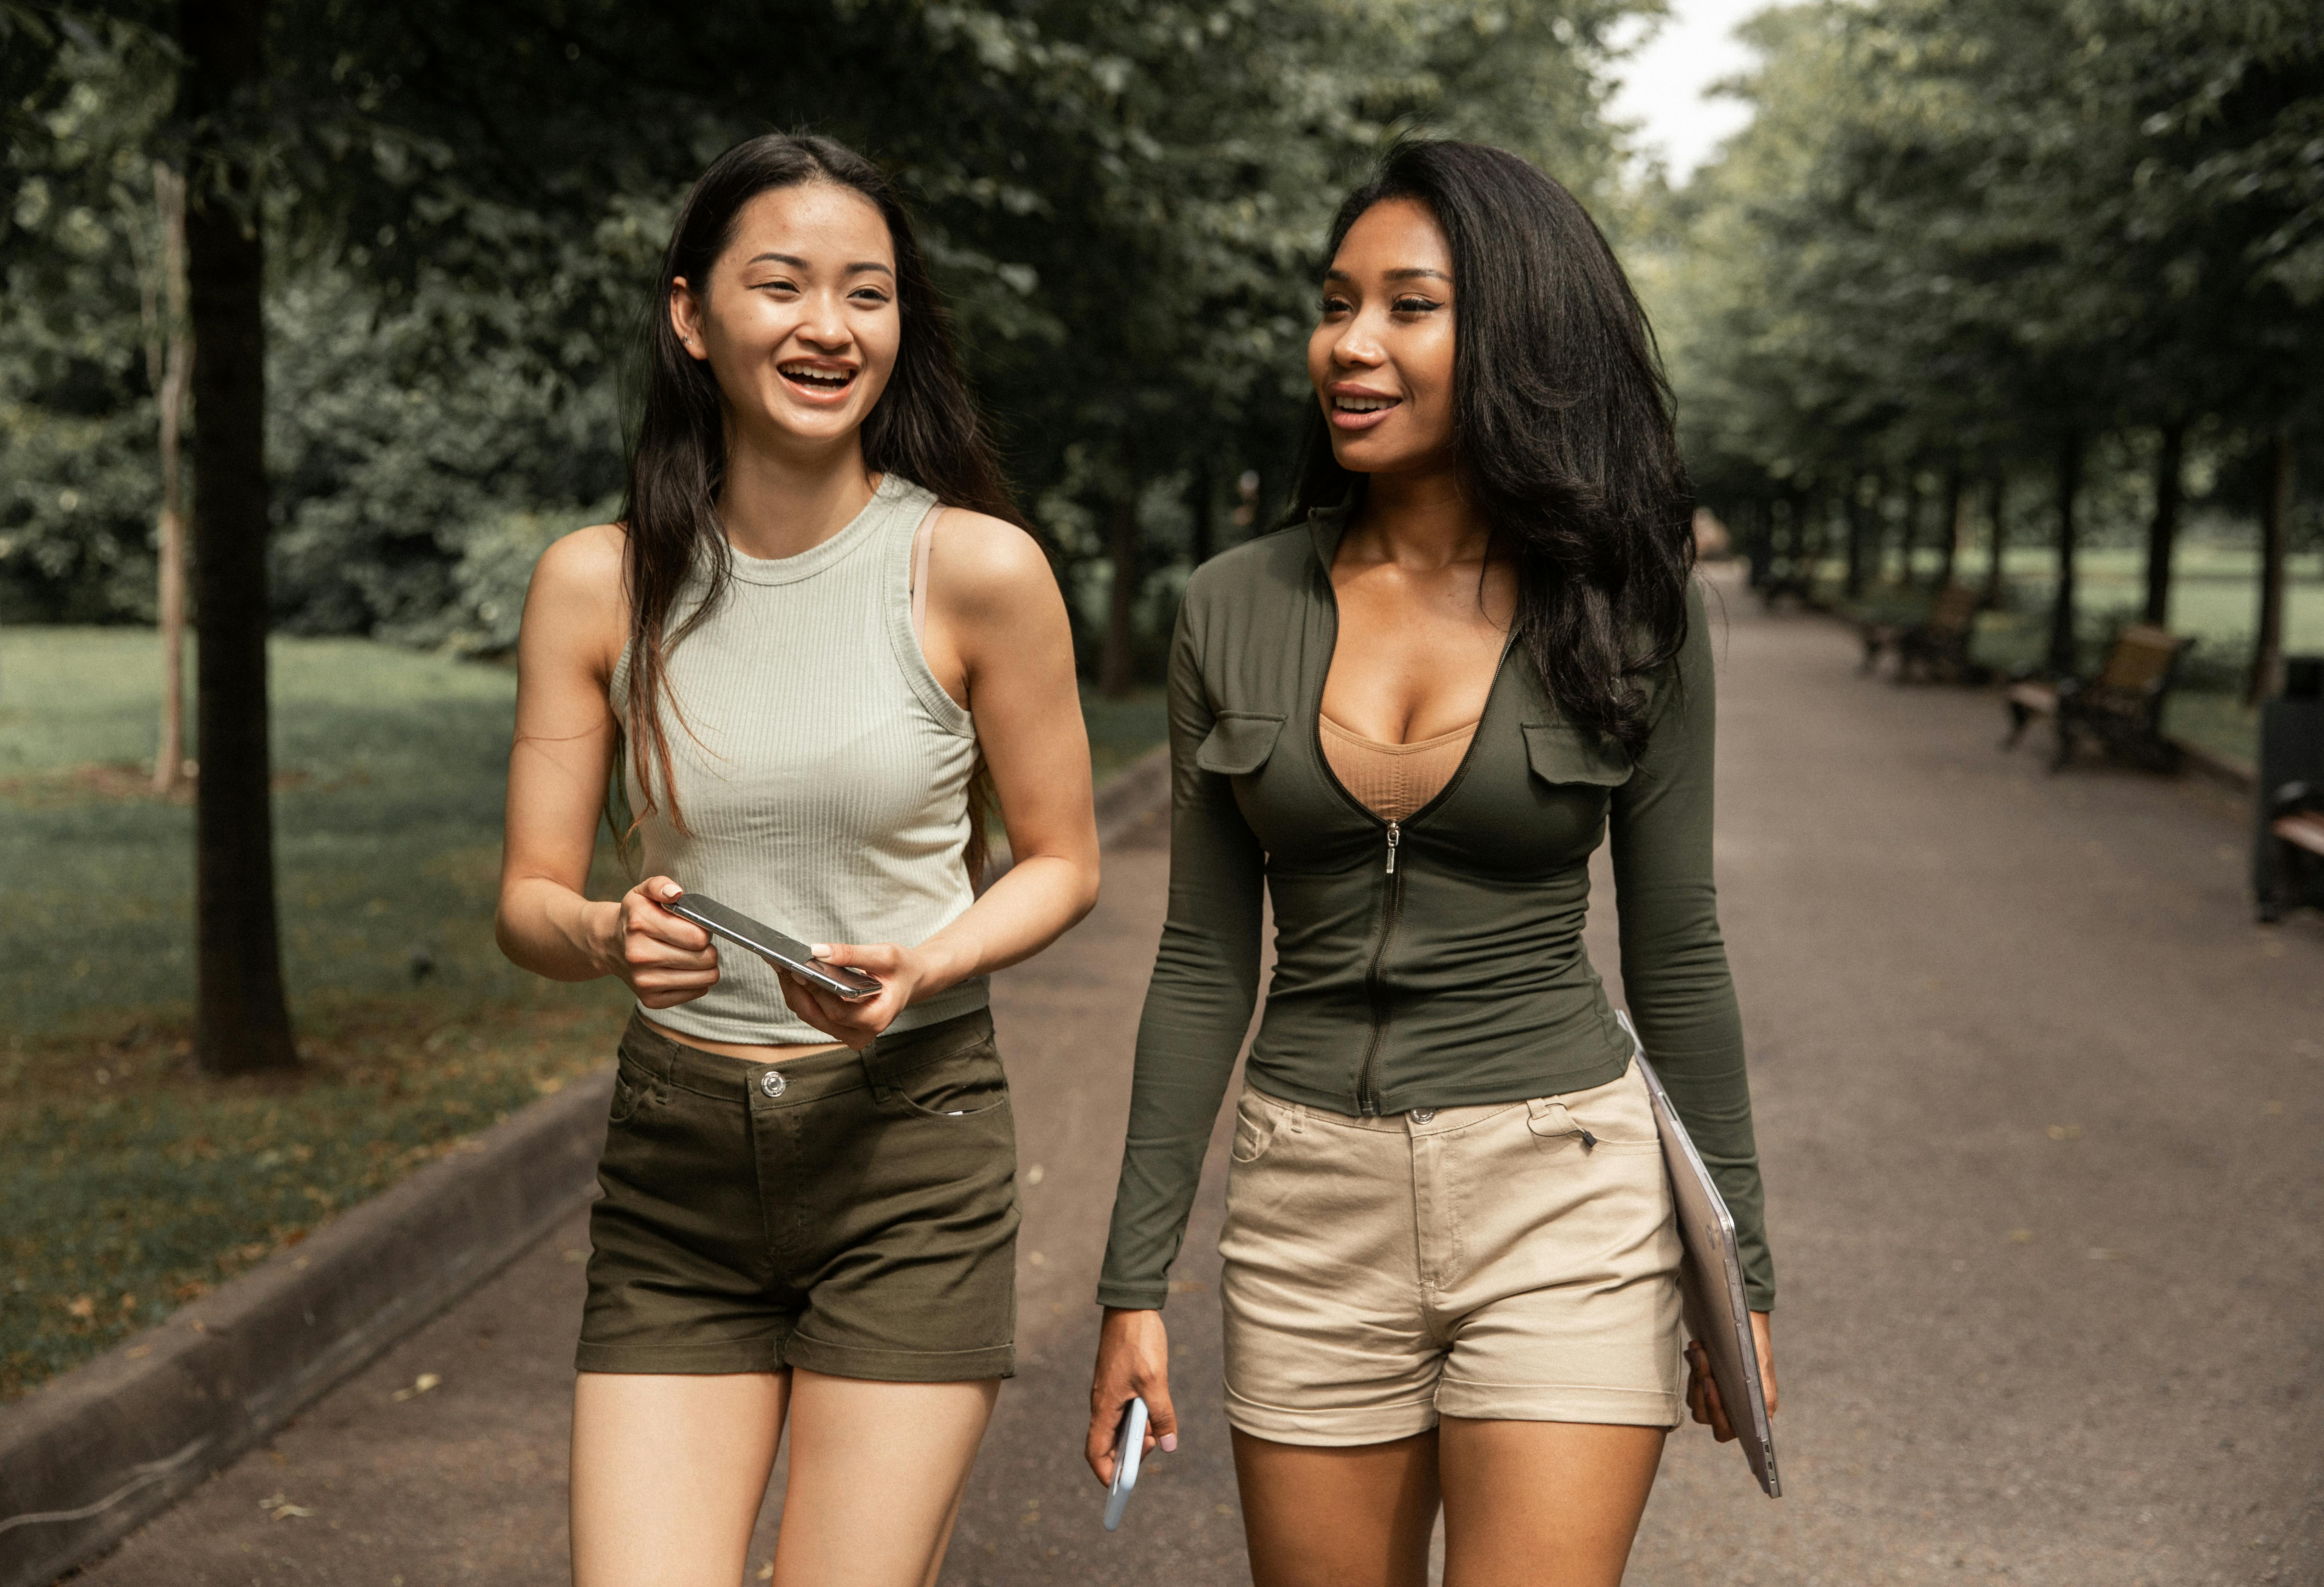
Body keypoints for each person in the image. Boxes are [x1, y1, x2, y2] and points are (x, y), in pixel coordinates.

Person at [1085, 140, 1779, 1587]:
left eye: (1410, 306)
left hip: (1566, 1196)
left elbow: (1680, 944)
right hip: (1305, 1209)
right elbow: (1206, 957)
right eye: (1337, 303)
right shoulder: (1231, 602)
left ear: (1516, 333)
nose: (1350, 343)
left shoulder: (1630, 603)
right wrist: (1131, 1281)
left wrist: (1746, 1273)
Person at [496, 132, 1097, 1587]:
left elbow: (1062, 861)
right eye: (783, 286)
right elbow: (527, 898)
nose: (830, 327)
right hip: (680, 1168)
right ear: (693, 316)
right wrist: (602, 935)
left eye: (867, 293)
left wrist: (929, 956)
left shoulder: (976, 569)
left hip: (910, 1146)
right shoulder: (597, 582)